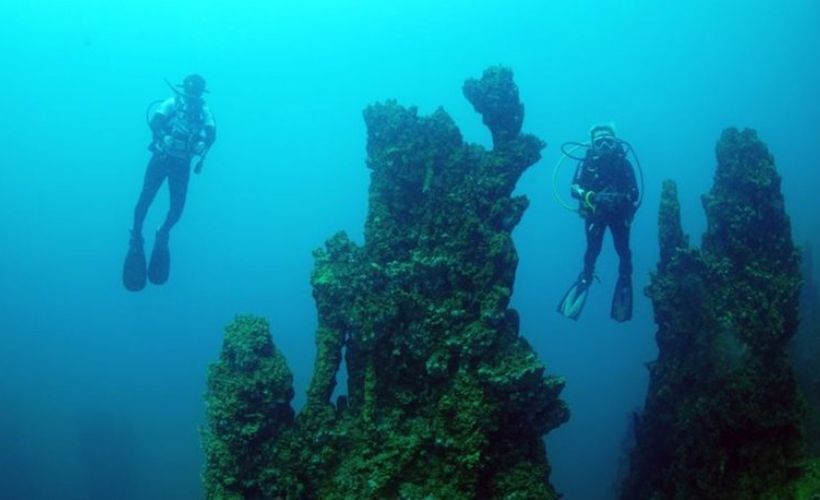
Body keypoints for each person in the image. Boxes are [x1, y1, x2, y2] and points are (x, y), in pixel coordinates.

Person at [122, 74, 216, 291]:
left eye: (196, 93)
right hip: (161, 159)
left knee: (177, 208)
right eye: (189, 92)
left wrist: (203, 144)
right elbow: (155, 121)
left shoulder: (204, 112)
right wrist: (162, 135)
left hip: (181, 165)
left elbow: (212, 133)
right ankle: (136, 235)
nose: (191, 97)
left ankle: (162, 233)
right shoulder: (171, 103)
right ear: (183, 89)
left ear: (201, 94)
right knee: (144, 201)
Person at [557, 124, 638, 321]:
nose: (604, 146)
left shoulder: (624, 164)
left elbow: (635, 192)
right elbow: (573, 189)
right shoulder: (586, 163)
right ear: (593, 145)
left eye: (608, 141)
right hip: (596, 215)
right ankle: (585, 277)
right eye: (599, 142)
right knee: (593, 250)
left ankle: (625, 278)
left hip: (619, 215)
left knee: (623, 250)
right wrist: (591, 196)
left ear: (615, 143)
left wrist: (620, 198)